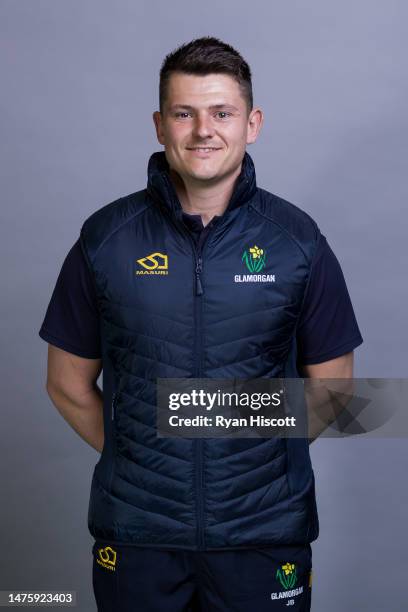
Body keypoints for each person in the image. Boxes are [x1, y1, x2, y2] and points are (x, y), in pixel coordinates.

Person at [39, 37, 363, 611]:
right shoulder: (105, 239)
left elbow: (333, 389)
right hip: (137, 536)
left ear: (252, 123)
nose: (202, 131)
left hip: (264, 534)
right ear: (160, 126)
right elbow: (66, 384)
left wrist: (247, 448)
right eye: (185, 113)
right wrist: (139, 458)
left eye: (222, 113)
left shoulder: (298, 242)